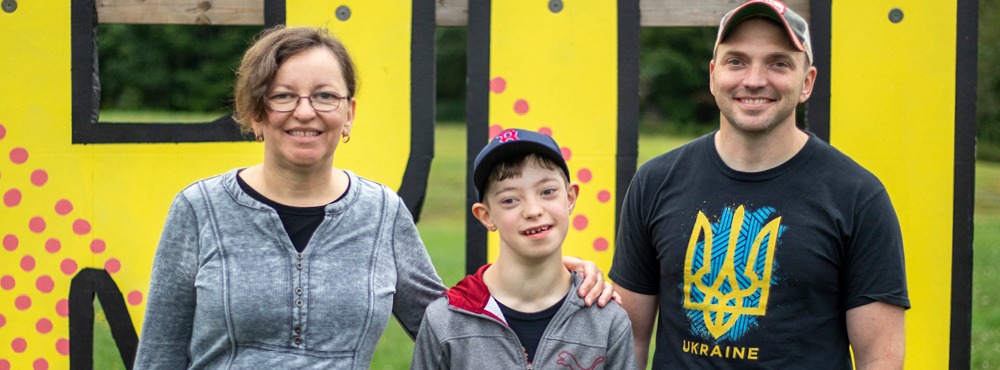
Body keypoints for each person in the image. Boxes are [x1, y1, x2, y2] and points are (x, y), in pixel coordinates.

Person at [134, 27, 617, 369]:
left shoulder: (380, 212)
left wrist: (555, 272)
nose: (305, 111)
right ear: (256, 112)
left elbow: (446, 316)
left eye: (325, 96)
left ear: (348, 114)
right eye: (283, 96)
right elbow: (159, 354)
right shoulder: (199, 209)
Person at [609, 1, 909, 369]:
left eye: (778, 63)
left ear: (807, 83)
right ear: (713, 74)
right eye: (736, 61)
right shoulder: (655, 182)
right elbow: (630, 342)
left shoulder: (858, 197)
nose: (754, 79)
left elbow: (880, 358)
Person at [411, 129, 635, 369]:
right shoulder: (446, 320)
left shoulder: (606, 319)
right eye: (510, 200)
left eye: (547, 192)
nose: (533, 210)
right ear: (486, 216)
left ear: (570, 198)